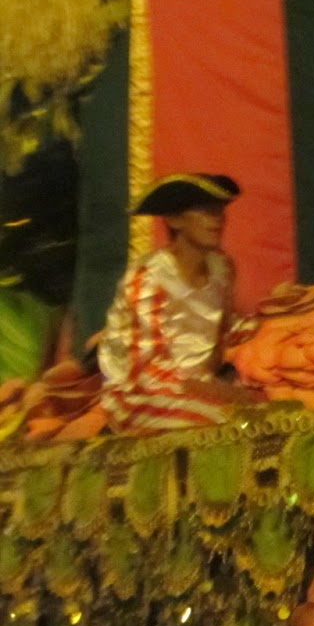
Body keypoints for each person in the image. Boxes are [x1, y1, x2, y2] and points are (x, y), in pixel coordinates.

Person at [98, 173, 257, 433]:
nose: (217, 218)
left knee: (268, 417)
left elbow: (223, 332)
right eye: (204, 210)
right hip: (140, 395)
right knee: (225, 427)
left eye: (219, 209)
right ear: (175, 220)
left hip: (201, 385)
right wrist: (215, 392)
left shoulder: (223, 269)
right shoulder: (150, 278)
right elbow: (146, 372)